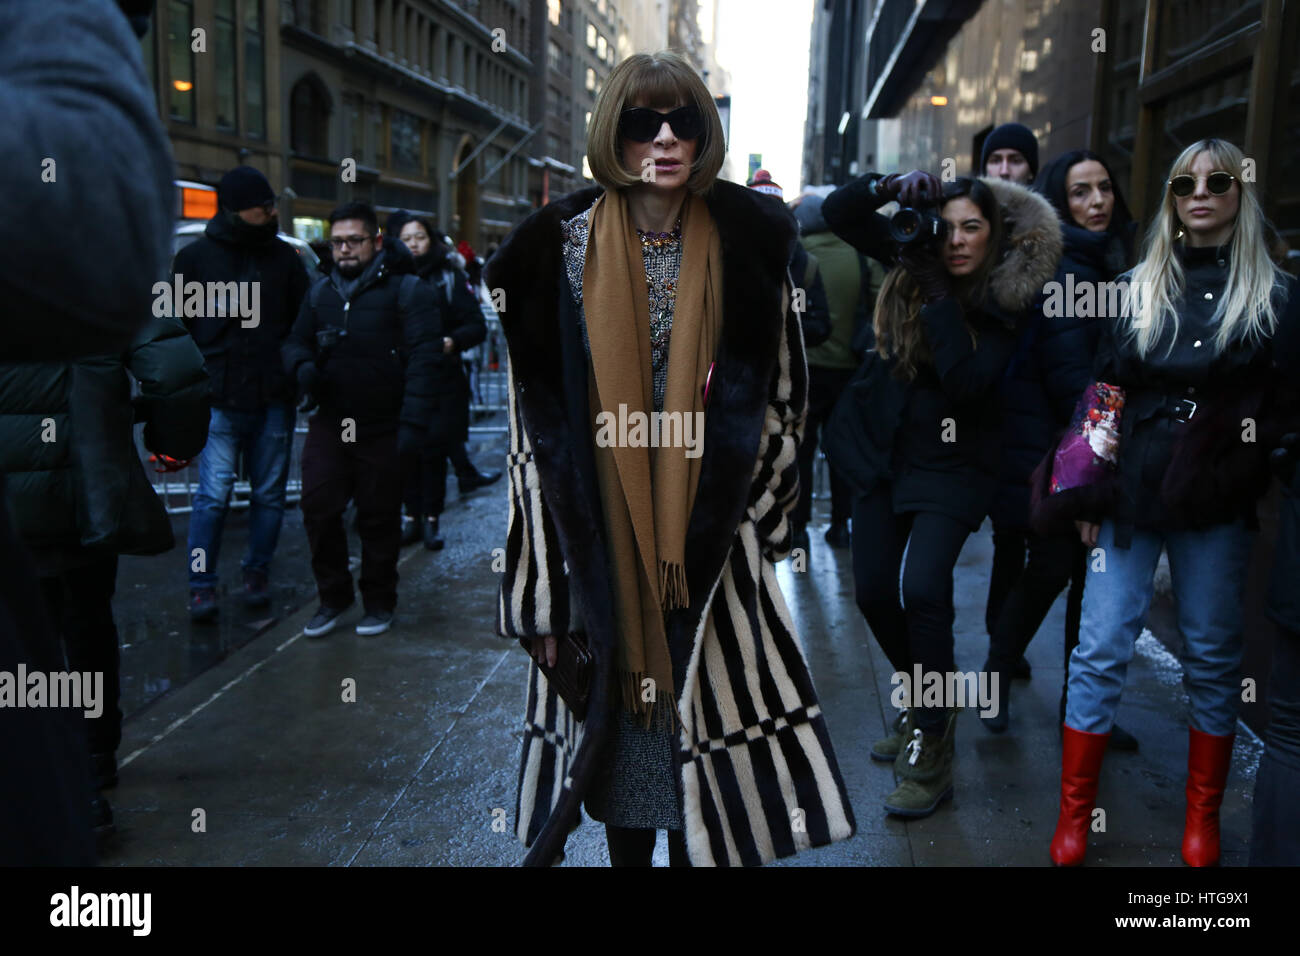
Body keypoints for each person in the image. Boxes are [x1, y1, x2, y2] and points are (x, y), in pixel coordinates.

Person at [486, 50, 856, 866]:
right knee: (623, 748)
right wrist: (545, 597)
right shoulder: (555, 251)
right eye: (640, 121)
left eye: (683, 120)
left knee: (711, 752)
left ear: (705, 132)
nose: (664, 137)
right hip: (604, 538)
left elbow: (787, 403)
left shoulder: (753, 244)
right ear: (610, 135)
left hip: (713, 543)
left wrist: (756, 518)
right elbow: (532, 441)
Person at [1046, 139, 1295, 866]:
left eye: (1219, 181)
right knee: (1098, 649)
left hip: (1216, 495)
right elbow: (1104, 392)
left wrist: (1258, 453)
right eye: (1185, 181)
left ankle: (1202, 823)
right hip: (1130, 491)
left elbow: (1286, 403)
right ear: (1170, 199)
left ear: (1239, 194)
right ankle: (1073, 816)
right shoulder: (1133, 285)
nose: (1201, 193)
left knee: (1214, 657)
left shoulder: (1277, 295)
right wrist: (1083, 492)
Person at [0, 0, 180, 863]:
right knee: (79, 626)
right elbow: (107, 255)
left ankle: (84, 765)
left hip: (57, 495)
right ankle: (91, 762)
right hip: (77, 493)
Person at [822, 169, 1062, 818]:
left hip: (955, 463)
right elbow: (838, 213)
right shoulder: (912, 250)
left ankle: (932, 744)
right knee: (873, 590)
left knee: (923, 588)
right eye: (948, 226)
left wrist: (936, 295)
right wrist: (888, 184)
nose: (955, 241)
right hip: (881, 448)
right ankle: (930, 695)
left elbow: (965, 384)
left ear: (995, 235)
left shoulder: (1006, 298)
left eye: (971, 228)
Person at [981, 150, 1139, 746]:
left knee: (1076, 575)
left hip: (1072, 450)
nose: (1097, 202)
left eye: (1104, 189)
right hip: (1065, 454)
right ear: (1059, 201)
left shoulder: (1105, 259)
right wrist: (1089, 488)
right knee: (1054, 569)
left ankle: (1081, 706)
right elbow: (1080, 386)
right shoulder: (1074, 271)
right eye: (1080, 192)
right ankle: (1005, 678)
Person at [281, 202, 441, 638]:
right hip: (331, 422)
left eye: (354, 241)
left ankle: (378, 601)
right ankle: (333, 597)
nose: (345, 250)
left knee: (377, 518)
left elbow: (426, 363)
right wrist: (303, 368)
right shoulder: (320, 293)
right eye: (337, 242)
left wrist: (412, 429)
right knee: (318, 507)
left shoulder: (409, 291)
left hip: (384, 426)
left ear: (374, 241)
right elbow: (294, 341)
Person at [174, 165, 310, 620]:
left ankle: (257, 572)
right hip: (218, 395)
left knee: (269, 495)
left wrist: (295, 371)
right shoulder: (195, 260)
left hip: (272, 394)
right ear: (235, 209)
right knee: (213, 495)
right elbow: (178, 329)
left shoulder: (285, 259)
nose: (272, 211)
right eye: (262, 206)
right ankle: (201, 584)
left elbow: (301, 324)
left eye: (272, 204)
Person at [396, 216, 499, 549]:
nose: (413, 244)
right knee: (405, 451)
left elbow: (475, 326)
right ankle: (410, 516)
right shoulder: (390, 278)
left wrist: (452, 342)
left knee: (434, 451)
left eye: (419, 237)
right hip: (401, 378)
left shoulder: (450, 277)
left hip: (443, 379)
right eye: (406, 238)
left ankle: (431, 520)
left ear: (431, 239)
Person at [791, 188, 882, 549]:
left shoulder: (798, 256)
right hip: (850, 371)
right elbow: (880, 306)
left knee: (802, 448)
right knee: (842, 449)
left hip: (806, 371)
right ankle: (841, 525)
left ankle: (798, 528)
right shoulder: (862, 257)